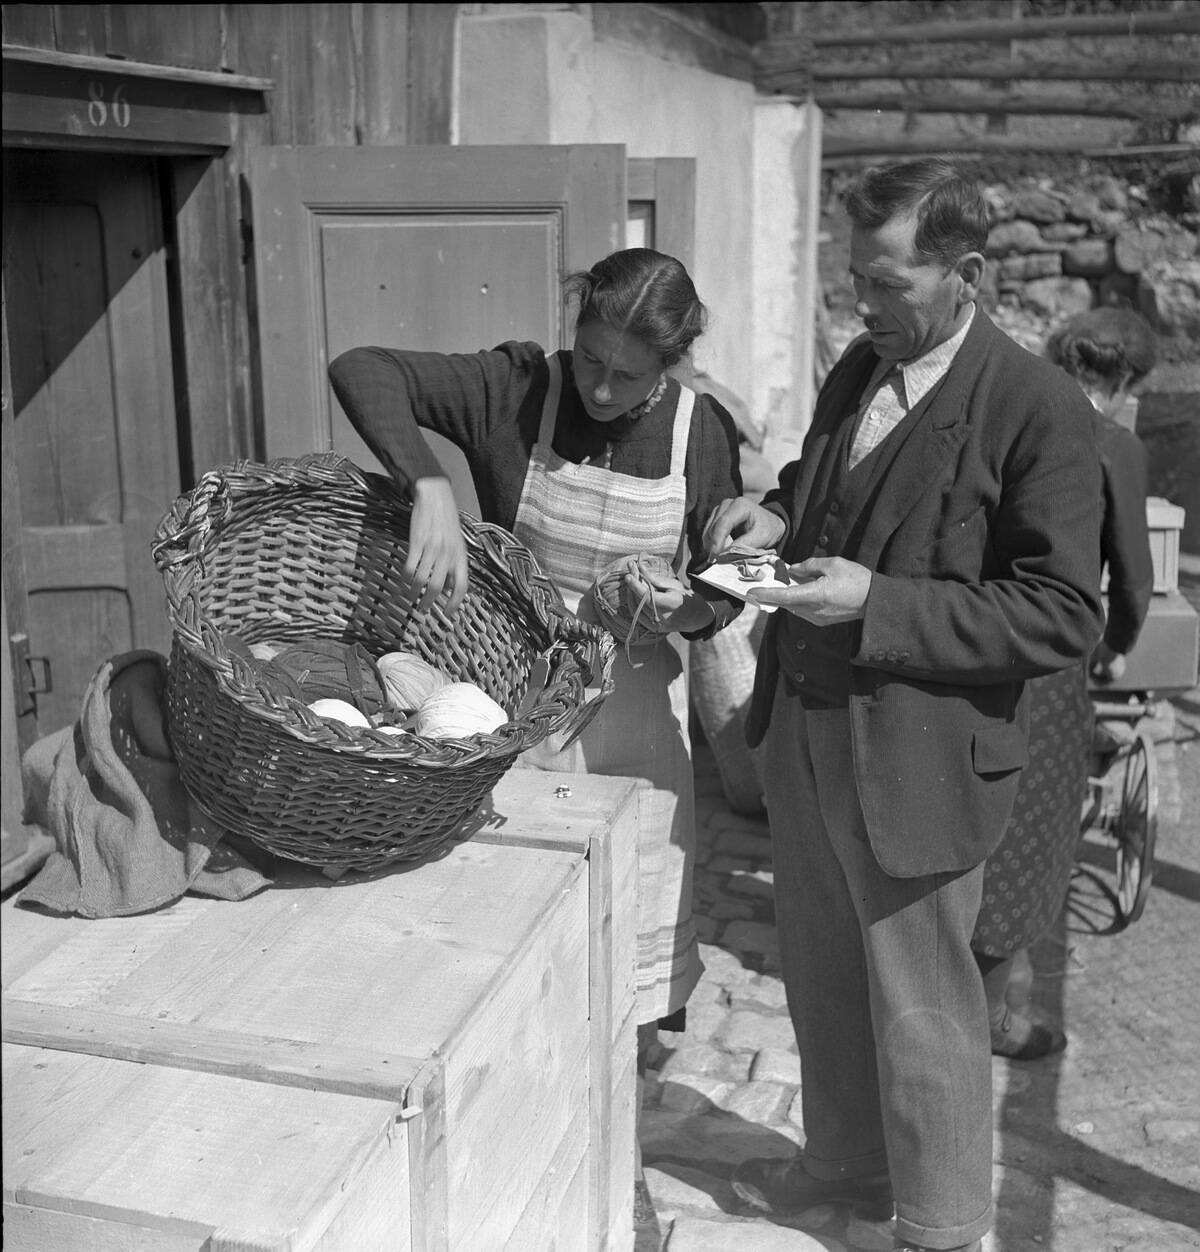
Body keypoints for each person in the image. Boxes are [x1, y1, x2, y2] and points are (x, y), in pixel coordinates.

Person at [703, 160, 1105, 1252]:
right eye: (855, 281)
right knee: (823, 972)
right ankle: (843, 1166)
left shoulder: (1036, 406)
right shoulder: (862, 363)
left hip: (920, 753)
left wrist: (877, 602)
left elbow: (1062, 612)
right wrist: (775, 514)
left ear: (966, 273)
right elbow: (825, 481)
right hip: (806, 723)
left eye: (887, 284)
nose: (863, 306)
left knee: (923, 1004)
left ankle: (940, 1223)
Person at [327, 247, 744, 1227]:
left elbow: (733, 576)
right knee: (512, 965)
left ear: (672, 364)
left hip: (637, 737)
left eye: (627, 375)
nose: (599, 388)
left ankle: (617, 1179)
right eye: (590, 357)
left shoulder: (702, 431)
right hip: (516, 717)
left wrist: (686, 606)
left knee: (622, 985)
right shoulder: (517, 389)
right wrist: (427, 480)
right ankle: (513, 1177)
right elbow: (361, 366)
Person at [971, 307, 1157, 1059]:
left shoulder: (1006, 408)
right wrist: (1115, 647)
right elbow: (1133, 579)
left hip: (968, 634)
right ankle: (991, 1015)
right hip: (1045, 659)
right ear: (1124, 381)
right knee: (1030, 832)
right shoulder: (1112, 442)